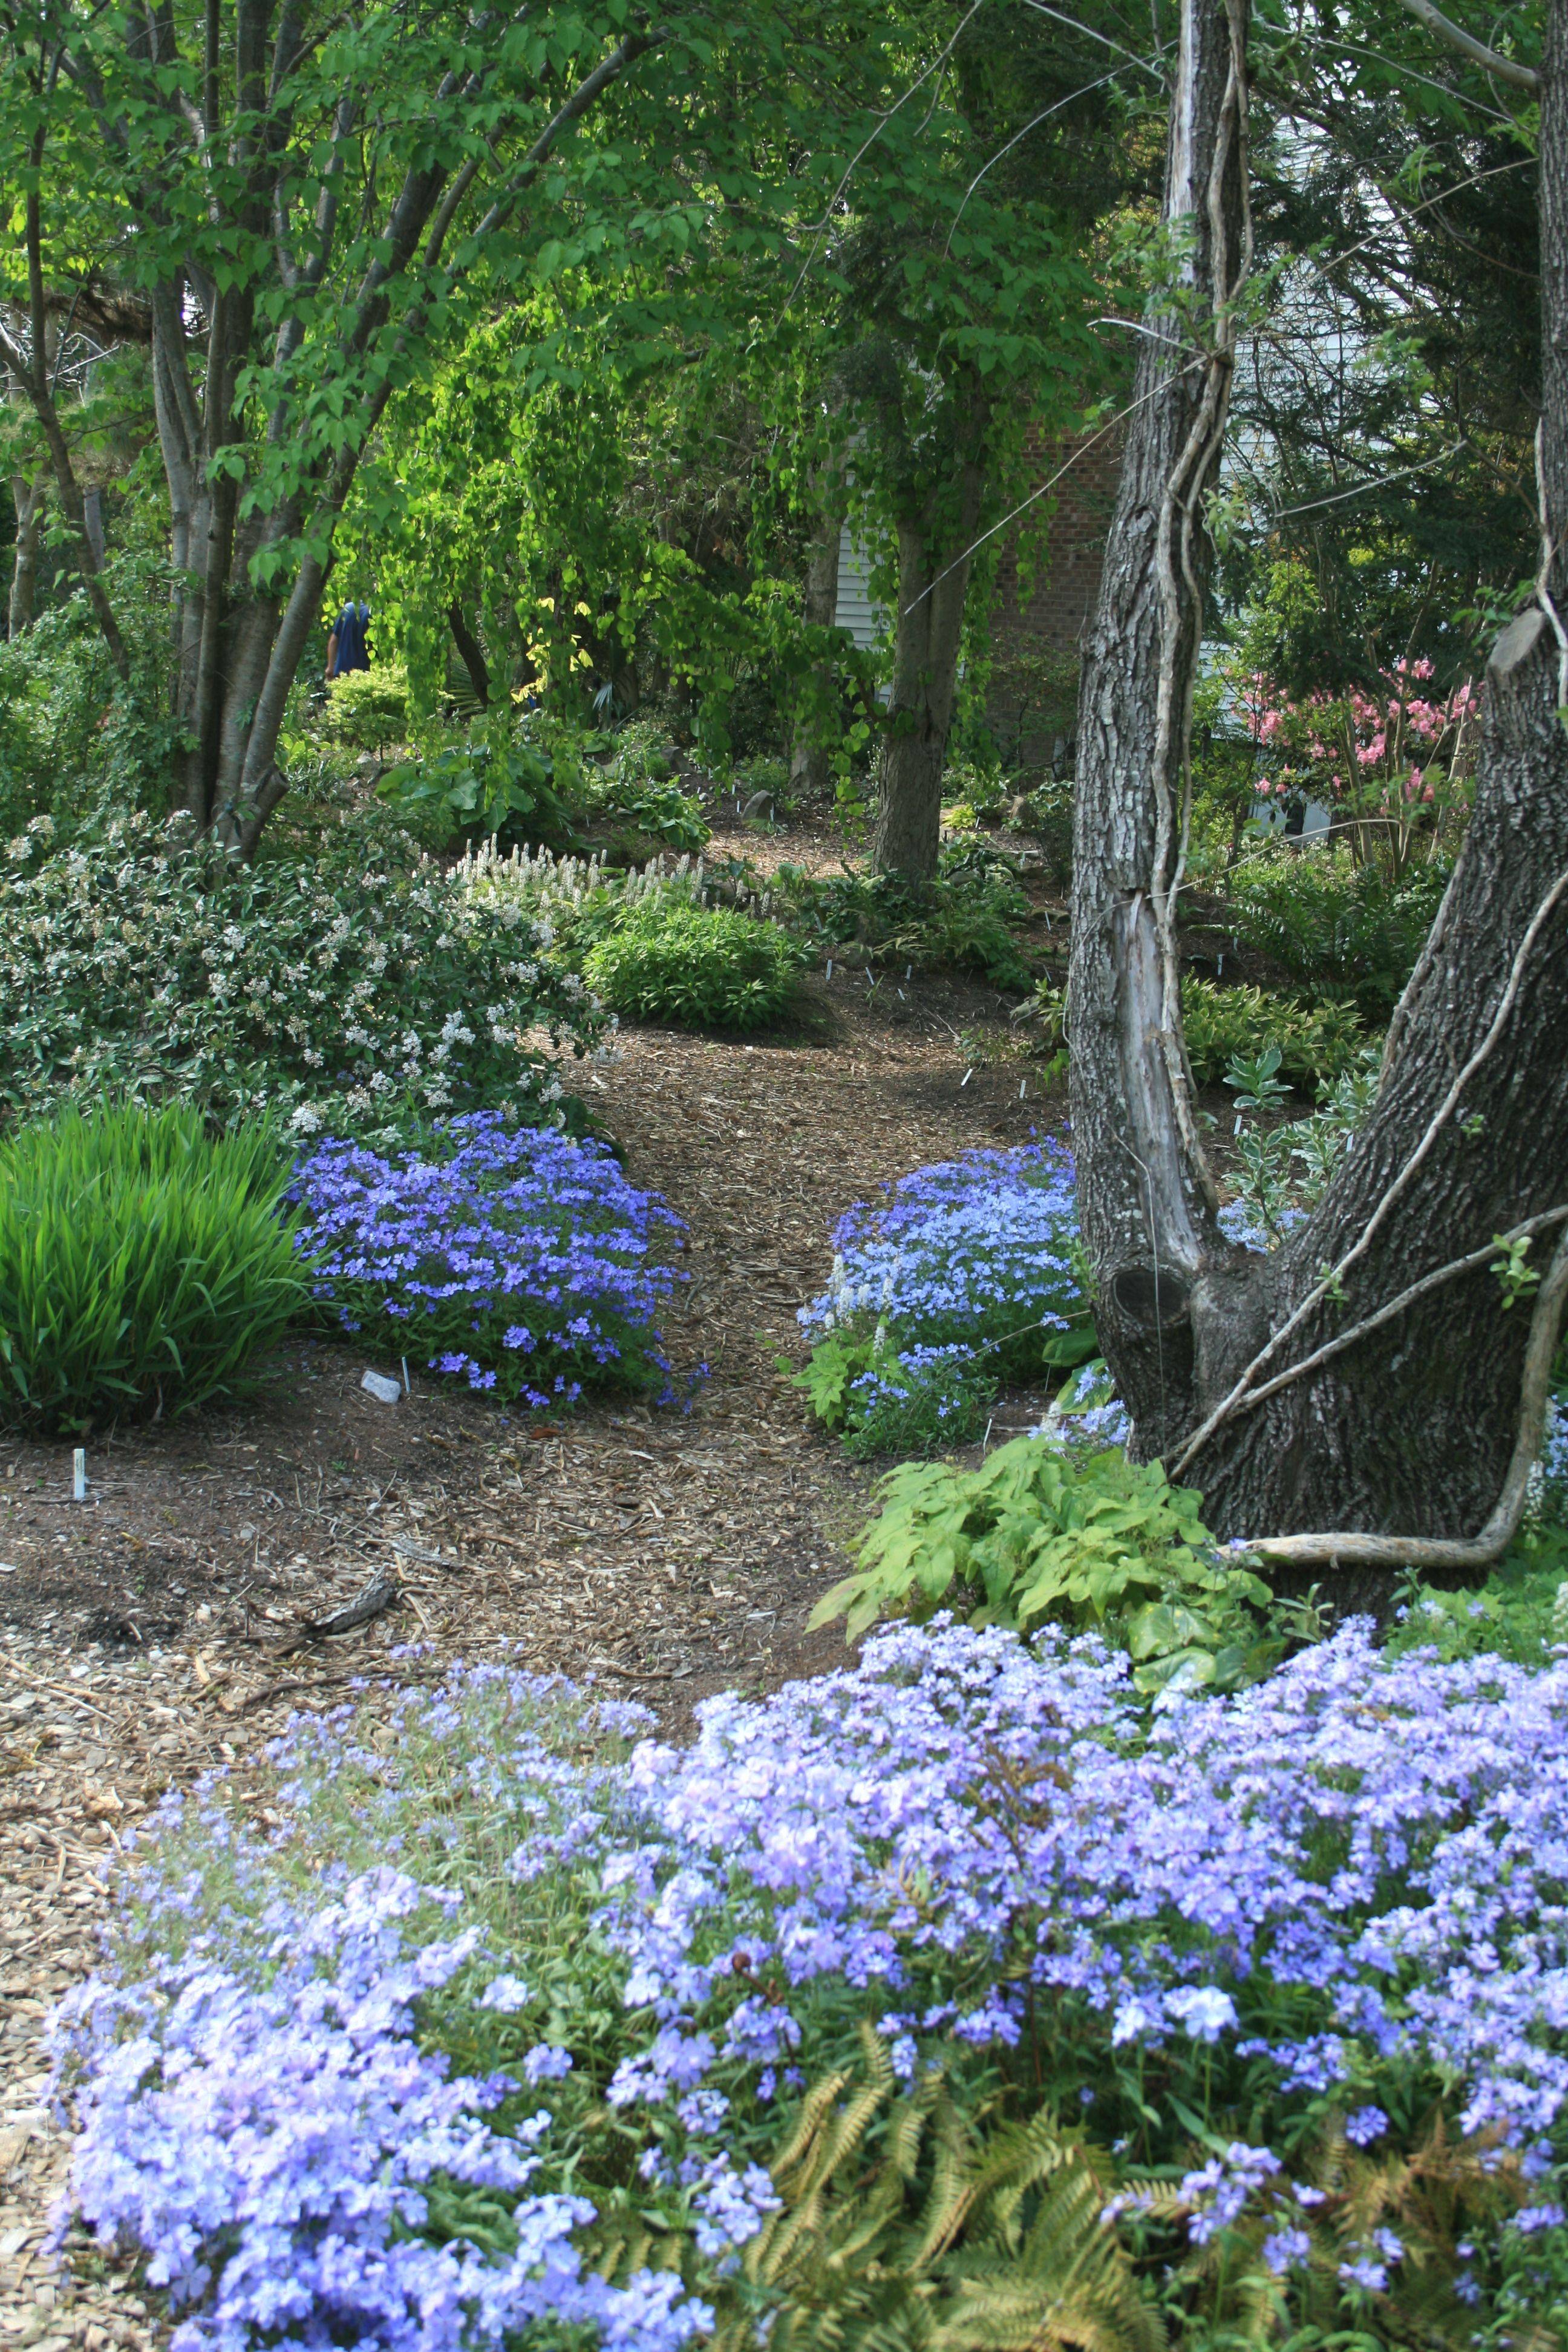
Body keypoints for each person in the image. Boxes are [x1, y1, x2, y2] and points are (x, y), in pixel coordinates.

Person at [325, 598, 371, 678]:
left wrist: (330, 667)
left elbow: (333, 641)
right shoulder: (378, 614)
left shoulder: (348, 608)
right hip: (365, 673)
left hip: (342, 671)